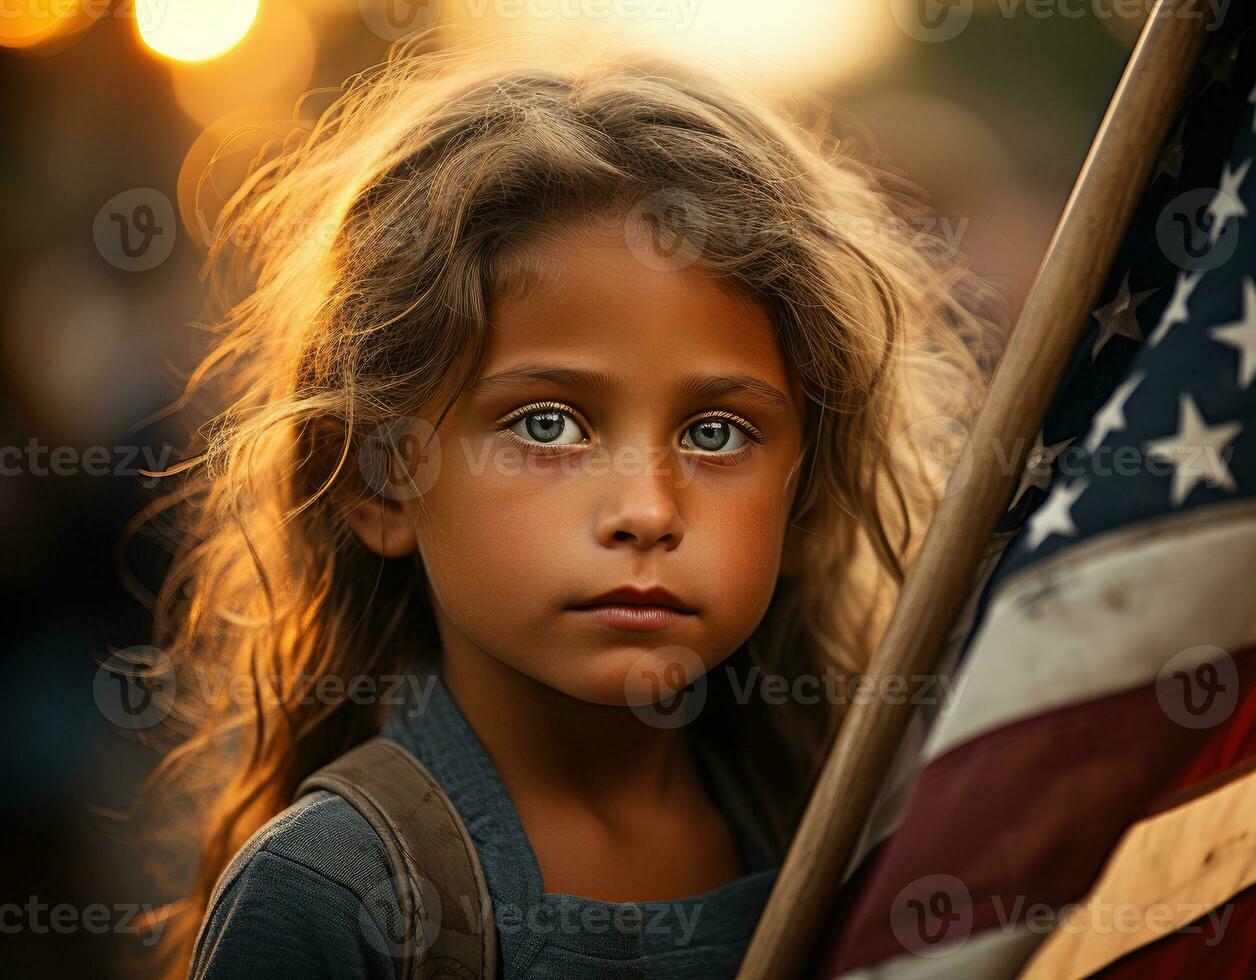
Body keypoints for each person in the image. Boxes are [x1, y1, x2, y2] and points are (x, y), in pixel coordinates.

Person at [138, 31, 1002, 980]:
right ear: (378, 481)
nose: (646, 510)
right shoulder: (333, 894)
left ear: (805, 507)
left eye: (716, 433)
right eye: (548, 425)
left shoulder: (837, 831)